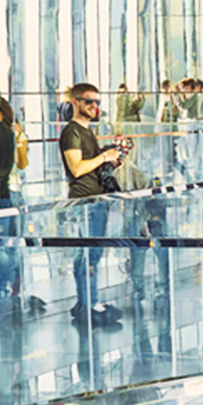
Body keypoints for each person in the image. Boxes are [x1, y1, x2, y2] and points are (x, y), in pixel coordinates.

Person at [59, 83, 125, 327]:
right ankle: (89, 302)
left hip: (96, 198)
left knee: (91, 252)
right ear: (75, 102)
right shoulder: (72, 132)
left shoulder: (87, 131)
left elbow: (90, 164)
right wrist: (103, 157)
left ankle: (87, 301)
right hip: (84, 200)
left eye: (97, 102)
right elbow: (76, 168)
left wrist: (108, 163)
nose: (94, 106)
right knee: (89, 253)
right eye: (89, 102)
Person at [0, 96, 28, 309]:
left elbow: (22, 163)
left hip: (4, 193)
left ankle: (7, 287)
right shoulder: (10, 132)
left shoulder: (1, 132)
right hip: (6, 192)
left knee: (1, 245)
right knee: (4, 244)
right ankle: (7, 288)